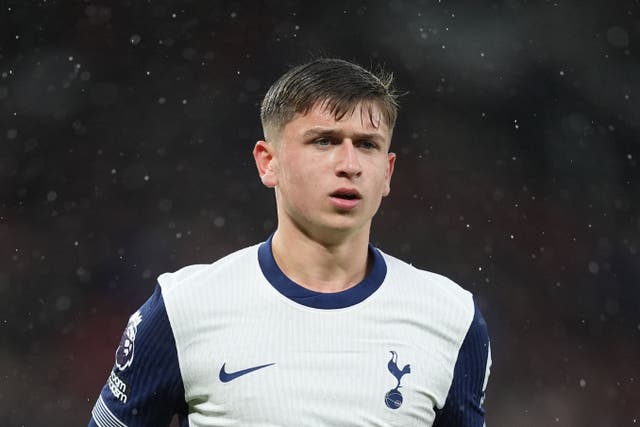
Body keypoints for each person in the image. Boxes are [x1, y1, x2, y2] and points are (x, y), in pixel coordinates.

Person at [88, 58, 491, 427]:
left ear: (387, 172)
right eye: (324, 141)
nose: (349, 165)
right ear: (269, 162)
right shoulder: (183, 309)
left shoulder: (451, 318)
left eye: (367, 144)